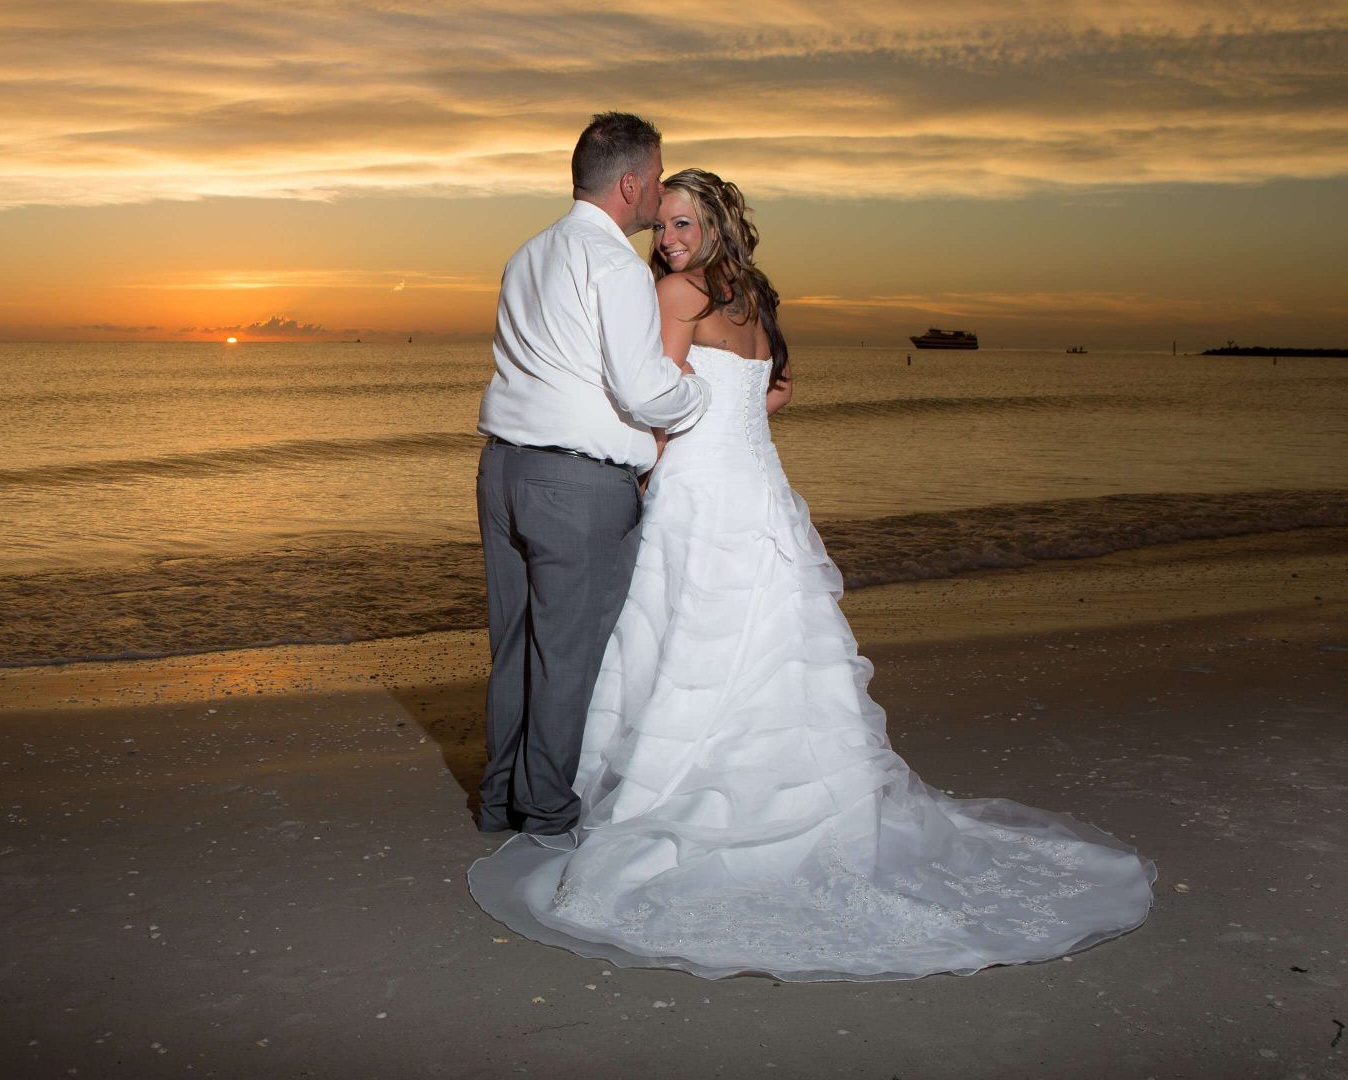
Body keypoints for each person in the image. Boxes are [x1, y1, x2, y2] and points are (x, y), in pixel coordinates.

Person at [468, 169, 1155, 981]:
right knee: (762, 639)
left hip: (699, 488)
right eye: (667, 226)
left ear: (716, 225)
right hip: (757, 488)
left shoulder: (678, 293)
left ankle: (647, 794)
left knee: (683, 638)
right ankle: (799, 802)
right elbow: (767, 393)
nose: (672, 239)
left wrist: (637, 473)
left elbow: (654, 402)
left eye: (686, 225)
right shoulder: (752, 294)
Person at [474, 113, 711, 843]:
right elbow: (644, 392)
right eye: (658, 174)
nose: (661, 190)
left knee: (515, 645)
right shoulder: (612, 264)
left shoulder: (529, 253)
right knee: (566, 655)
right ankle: (545, 810)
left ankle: (497, 801)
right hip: (575, 489)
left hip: (502, 472)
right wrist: (698, 392)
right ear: (631, 184)